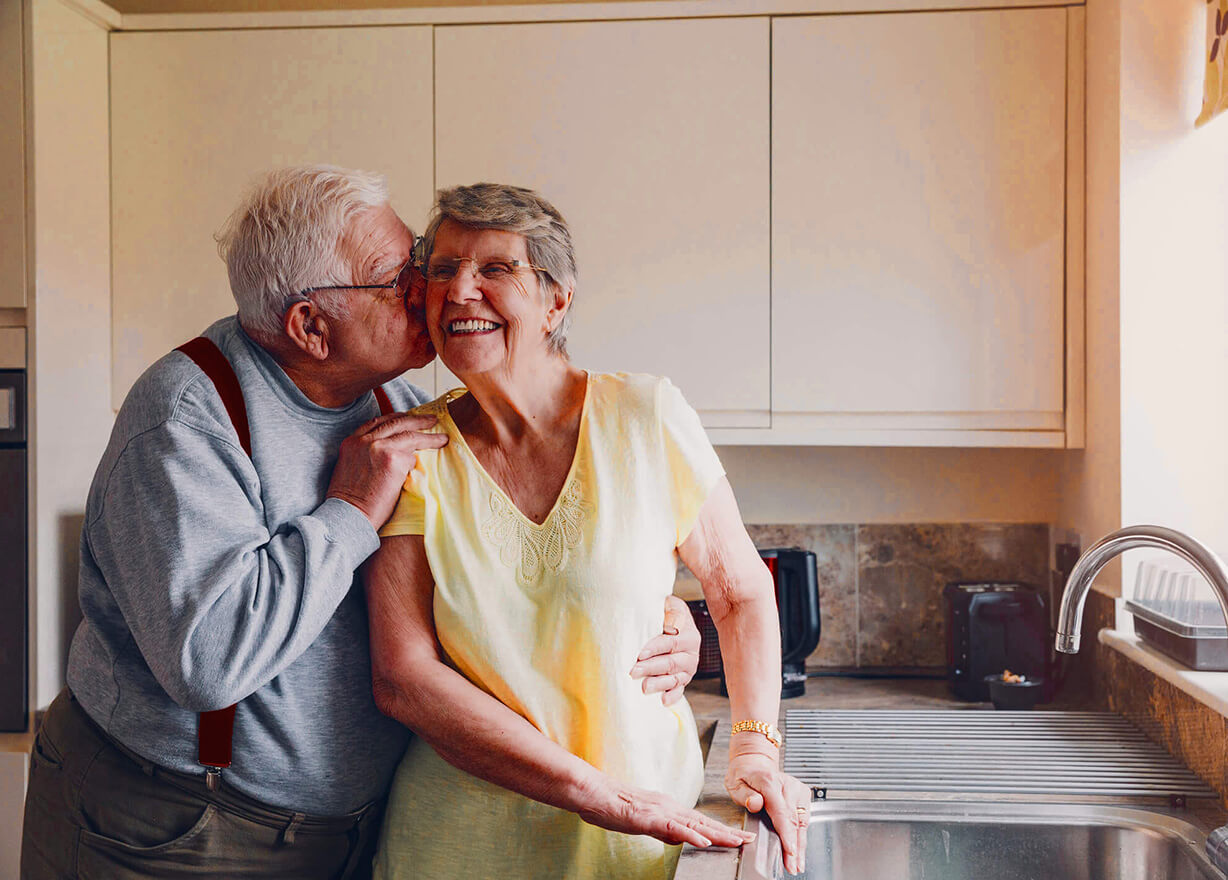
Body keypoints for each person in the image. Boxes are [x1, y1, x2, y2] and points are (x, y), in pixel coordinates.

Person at [19, 165, 702, 880]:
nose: (432, 289)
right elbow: (209, 662)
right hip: (177, 828)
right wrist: (347, 513)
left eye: (418, 261)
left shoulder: (397, 403)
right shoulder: (186, 420)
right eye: (397, 277)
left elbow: (498, 592)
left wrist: (666, 621)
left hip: (351, 832)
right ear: (311, 325)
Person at [364, 182, 811, 880]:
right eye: (443, 269)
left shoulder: (644, 415)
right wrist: (601, 796)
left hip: (639, 848)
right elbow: (405, 679)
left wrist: (755, 749)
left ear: (556, 300)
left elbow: (739, 592)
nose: (458, 291)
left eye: (495, 269)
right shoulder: (411, 453)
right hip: (460, 852)